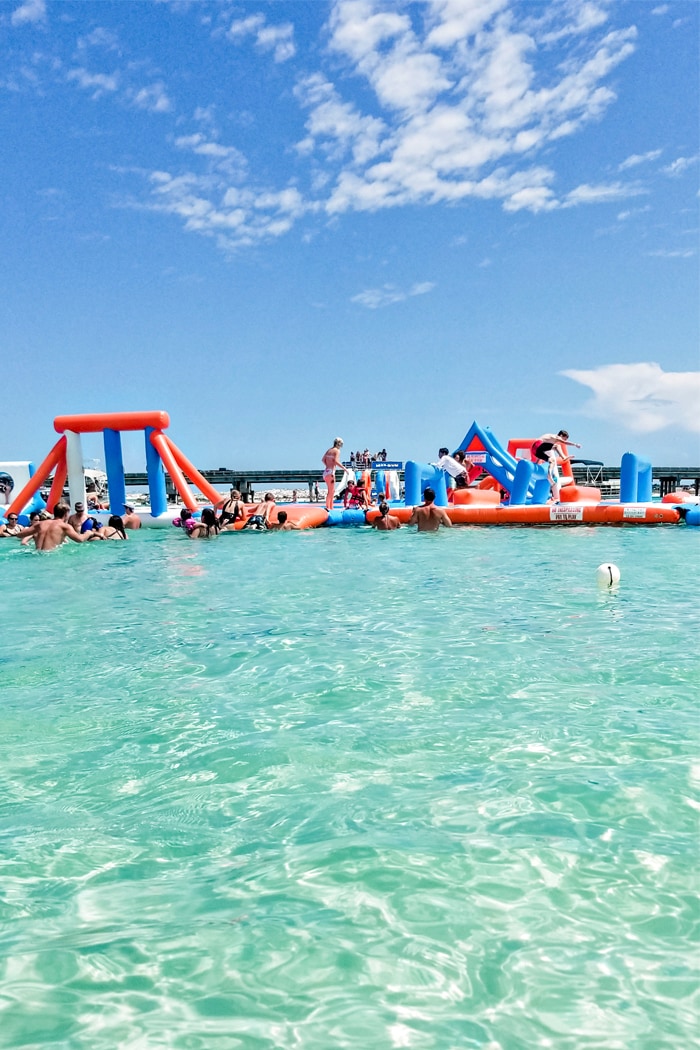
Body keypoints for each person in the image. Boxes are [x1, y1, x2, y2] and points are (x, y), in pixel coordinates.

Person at [531, 430, 581, 501]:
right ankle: (563, 457)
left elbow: (540, 452)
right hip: (537, 445)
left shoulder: (549, 441)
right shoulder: (555, 436)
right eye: (564, 438)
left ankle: (549, 475)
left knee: (552, 461)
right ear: (561, 435)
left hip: (536, 450)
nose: (563, 440)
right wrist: (575, 444)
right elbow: (564, 442)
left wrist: (536, 462)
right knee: (557, 445)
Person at [17, 504, 87, 550]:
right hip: (50, 556)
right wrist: (89, 533)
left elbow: (19, 535)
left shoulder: (40, 524)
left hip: (37, 554)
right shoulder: (65, 526)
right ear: (66, 514)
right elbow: (80, 539)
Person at [322, 438, 351, 511]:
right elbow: (336, 461)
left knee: (331, 491)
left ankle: (330, 507)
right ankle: (328, 508)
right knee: (331, 492)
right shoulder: (337, 451)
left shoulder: (329, 450)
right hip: (331, 472)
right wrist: (344, 469)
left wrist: (327, 465)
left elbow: (323, 459)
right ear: (339, 444)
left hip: (326, 472)